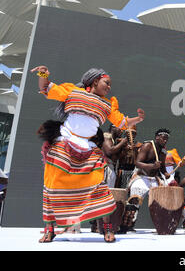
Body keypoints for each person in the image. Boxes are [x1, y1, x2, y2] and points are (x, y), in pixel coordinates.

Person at [31, 65, 145, 243]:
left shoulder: (107, 104)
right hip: (64, 144)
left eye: (110, 84)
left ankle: (107, 229)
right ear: (95, 80)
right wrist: (43, 74)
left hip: (88, 149)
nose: (109, 87)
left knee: (99, 186)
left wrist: (137, 119)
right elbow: (45, 88)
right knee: (51, 186)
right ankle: (50, 229)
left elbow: (121, 121)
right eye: (106, 83)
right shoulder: (72, 92)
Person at [119, 128, 185, 233]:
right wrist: (151, 166)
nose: (165, 141)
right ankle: (126, 226)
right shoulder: (147, 146)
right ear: (157, 137)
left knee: (163, 201)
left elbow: (162, 168)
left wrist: (165, 174)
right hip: (142, 177)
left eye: (166, 139)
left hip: (155, 179)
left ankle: (163, 226)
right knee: (135, 200)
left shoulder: (163, 151)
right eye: (163, 138)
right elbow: (137, 163)